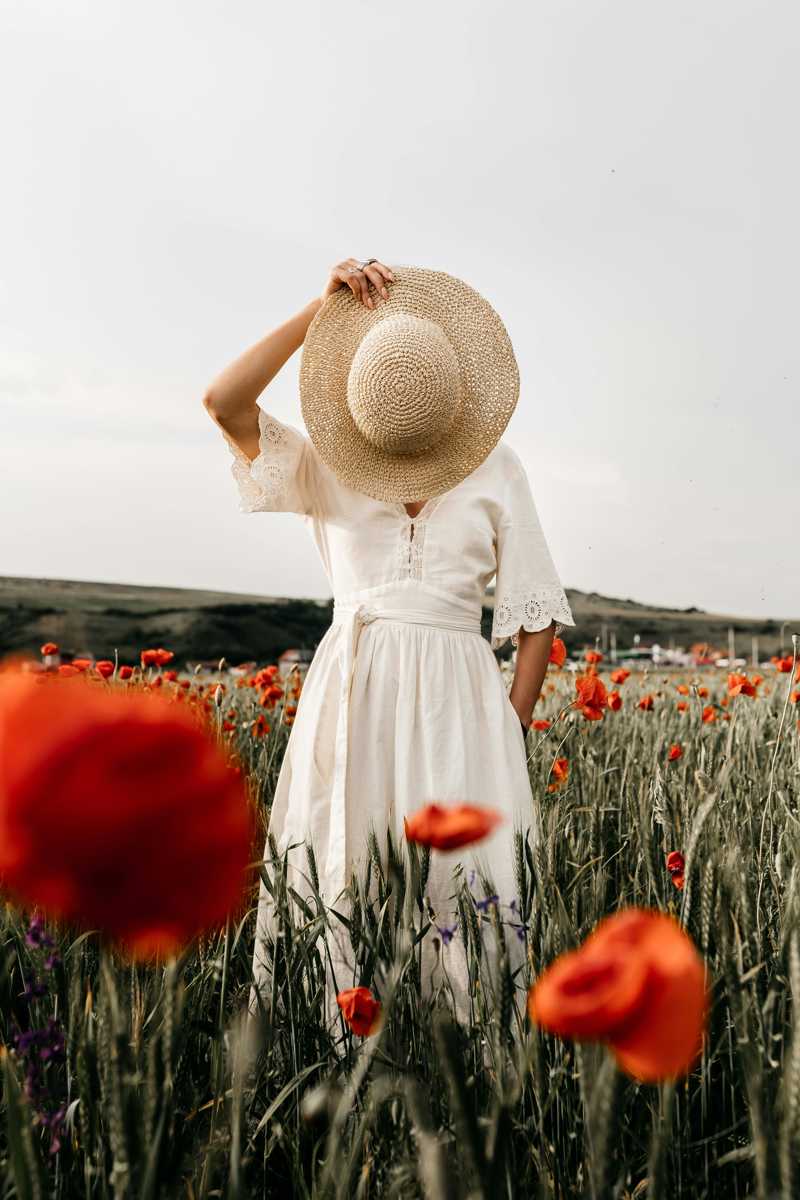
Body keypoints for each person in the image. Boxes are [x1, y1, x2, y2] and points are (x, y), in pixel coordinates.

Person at [203, 258, 576, 1026]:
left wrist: (508, 726)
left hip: (462, 708)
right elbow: (223, 401)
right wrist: (320, 312)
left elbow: (536, 615)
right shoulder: (326, 462)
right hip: (355, 690)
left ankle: (463, 1081)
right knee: (348, 874)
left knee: (461, 892)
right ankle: (345, 1060)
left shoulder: (497, 468)